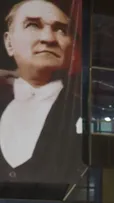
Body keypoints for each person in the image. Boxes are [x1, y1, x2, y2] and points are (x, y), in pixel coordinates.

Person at [0, 0, 84, 184]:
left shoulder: (83, 112)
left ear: (72, 47)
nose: (48, 38)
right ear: (9, 42)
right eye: (32, 25)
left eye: (61, 30)